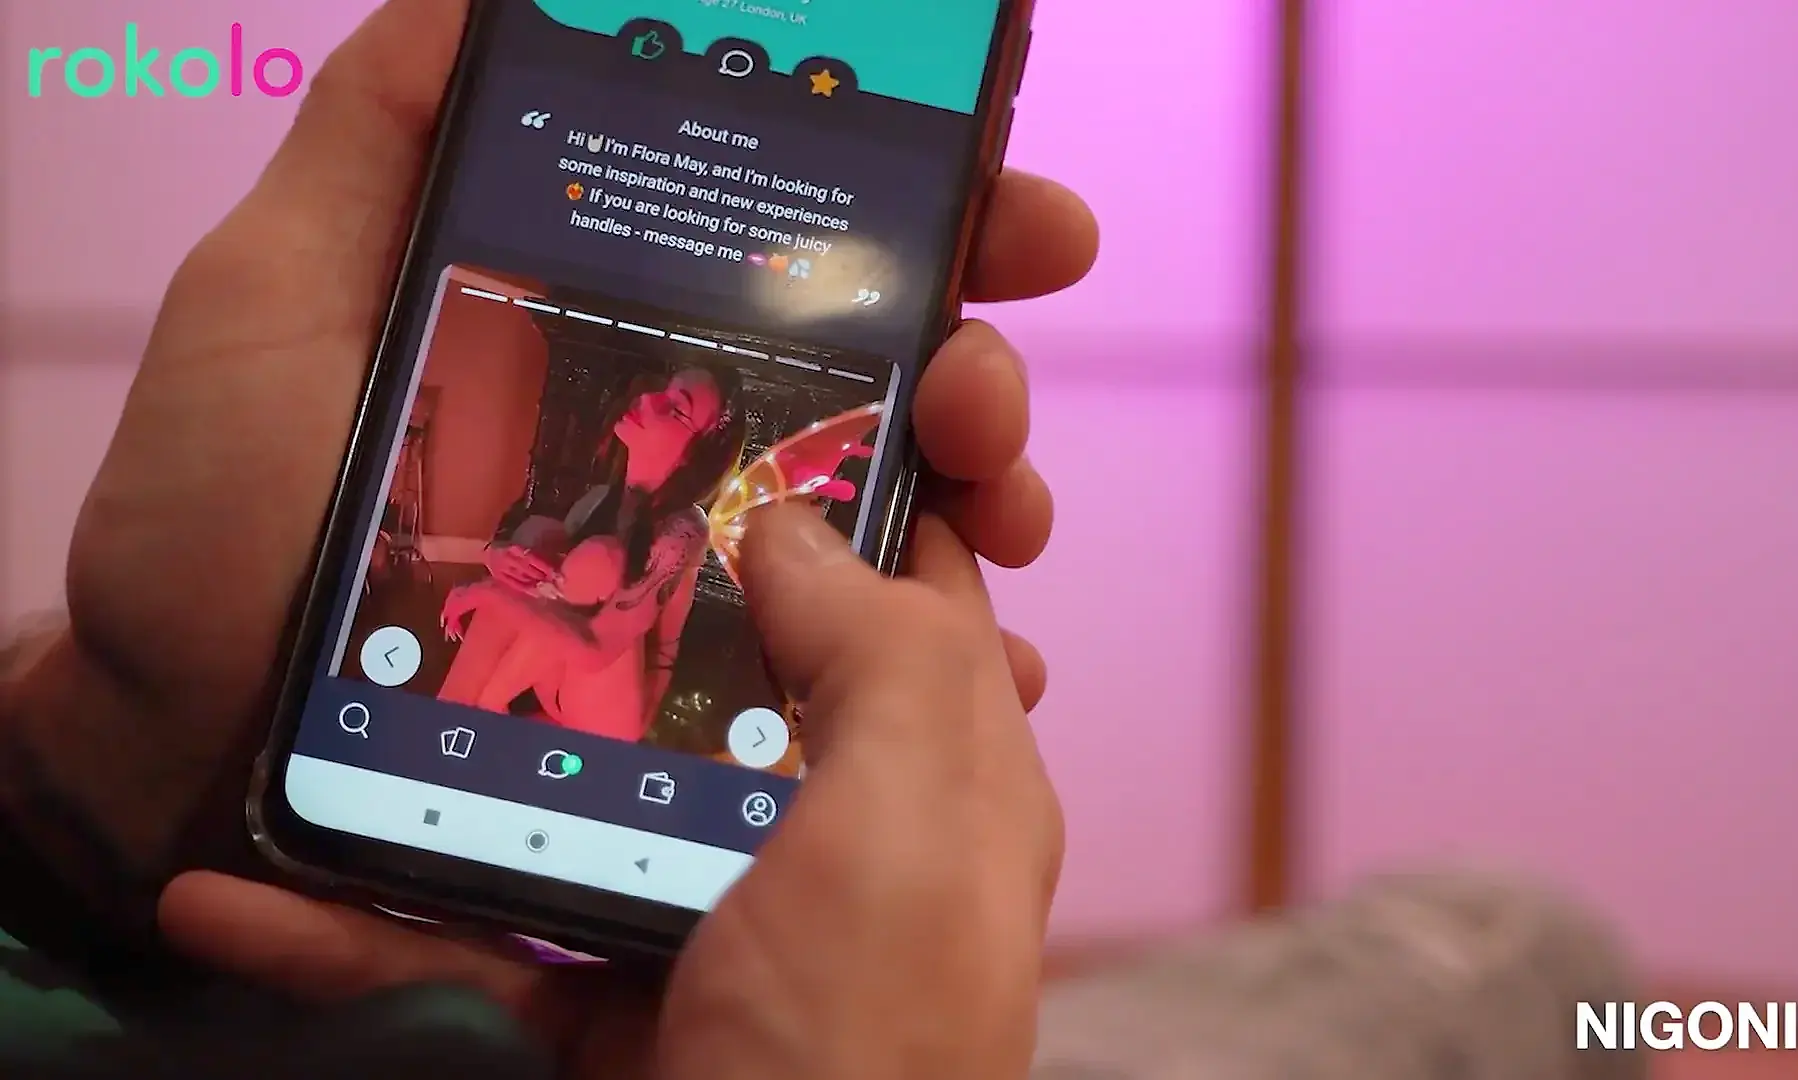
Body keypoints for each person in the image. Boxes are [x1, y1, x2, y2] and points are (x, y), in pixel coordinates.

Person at [0, 0, 1098, 1076]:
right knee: (507, 612)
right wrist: (500, 570)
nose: (654, 397)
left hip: (611, 701)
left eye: (680, 400)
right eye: (660, 387)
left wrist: (512, 591)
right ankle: (428, 764)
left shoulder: (681, 529)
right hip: (511, 695)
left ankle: (412, 766)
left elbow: (611, 642)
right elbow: (519, 577)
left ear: (701, 438)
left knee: (515, 616)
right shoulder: (577, 501)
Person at [438, 364, 749, 740]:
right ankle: (448, 713)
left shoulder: (684, 528)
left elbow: (596, 650)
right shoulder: (601, 499)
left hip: (610, 712)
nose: (647, 400)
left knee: (600, 560)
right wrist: (495, 556)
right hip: (556, 681)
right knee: (540, 535)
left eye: (675, 407)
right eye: (662, 391)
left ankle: (487, 705)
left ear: (693, 454)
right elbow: (548, 591)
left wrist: (487, 594)